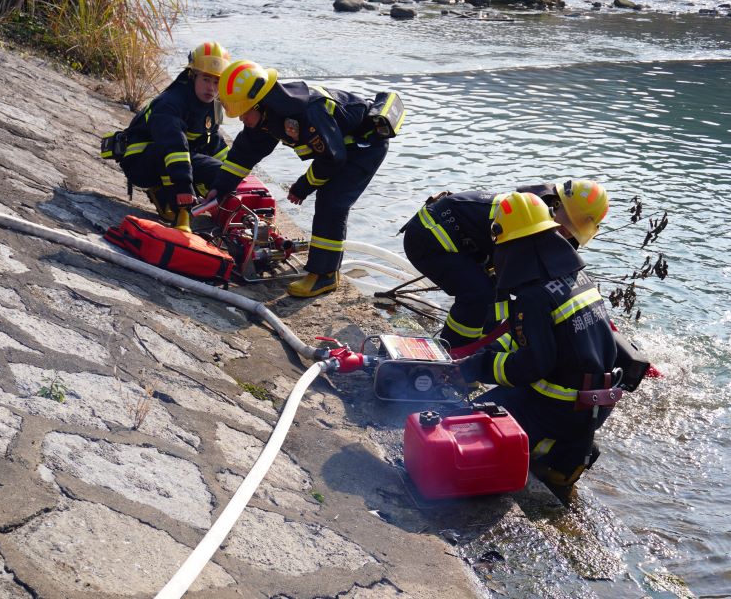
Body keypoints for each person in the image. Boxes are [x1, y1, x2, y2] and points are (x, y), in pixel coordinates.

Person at [457, 191, 618, 495]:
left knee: (467, 424)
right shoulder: (576, 277)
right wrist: (487, 353)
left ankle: (549, 450)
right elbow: (541, 338)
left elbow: (534, 364)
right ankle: (565, 458)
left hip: (559, 409)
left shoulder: (534, 296)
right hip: (592, 405)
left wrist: (479, 366)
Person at [206, 60, 392, 297]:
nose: (241, 120)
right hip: (339, 149)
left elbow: (332, 159)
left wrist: (302, 187)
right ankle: (327, 271)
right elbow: (244, 154)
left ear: (258, 104)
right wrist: (219, 189)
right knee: (328, 200)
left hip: (365, 146)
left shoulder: (305, 113)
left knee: (332, 203)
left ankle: (324, 276)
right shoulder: (270, 113)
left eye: (242, 113)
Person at [401, 180, 609, 350]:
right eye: (568, 224)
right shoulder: (525, 215)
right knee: (478, 295)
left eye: (575, 230)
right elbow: (512, 274)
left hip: (470, 245)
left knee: (495, 301)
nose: (567, 233)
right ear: (556, 204)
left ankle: (479, 351)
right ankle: (452, 352)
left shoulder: (546, 217)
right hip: (429, 236)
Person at [111, 41, 231, 232]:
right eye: (206, 79)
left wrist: (231, 175)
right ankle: (173, 203)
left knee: (220, 172)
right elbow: (173, 144)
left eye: (217, 82)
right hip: (141, 161)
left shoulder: (213, 106)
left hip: (174, 158)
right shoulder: (171, 102)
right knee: (174, 155)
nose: (211, 88)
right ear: (193, 75)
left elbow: (213, 143)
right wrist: (184, 186)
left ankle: (178, 195)